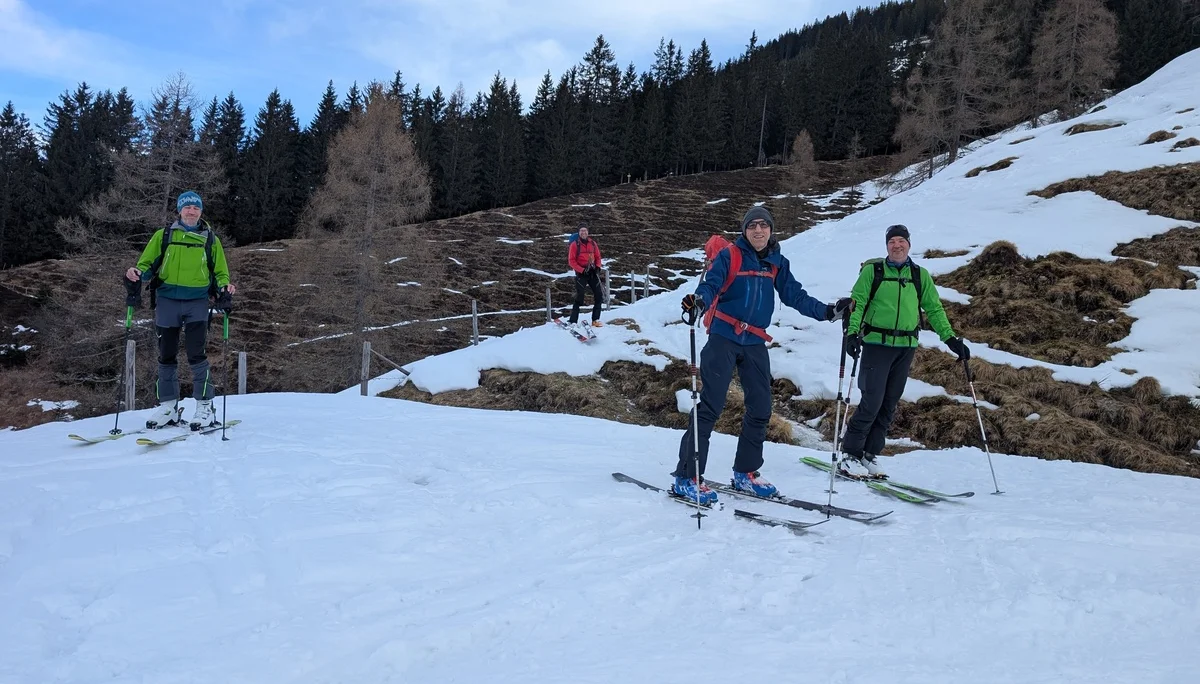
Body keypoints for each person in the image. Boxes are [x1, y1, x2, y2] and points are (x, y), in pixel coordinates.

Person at [674, 206, 851, 504]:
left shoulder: (777, 262)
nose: (758, 230)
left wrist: (829, 312)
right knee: (710, 407)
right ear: (744, 230)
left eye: (764, 225)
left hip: (754, 342)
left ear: (771, 230)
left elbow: (795, 296)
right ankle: (686, 477)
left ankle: (746, 472)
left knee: (760, 408)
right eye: (752, 225)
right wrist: (700, 301)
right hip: (723, 338)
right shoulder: (730, 256)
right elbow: (711, 284)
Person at [840, 224, 968, 478]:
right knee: (871, 402)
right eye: (892, 242)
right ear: (886, 245)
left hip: (906, 347)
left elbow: (934, 309)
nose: (896, 245)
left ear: (909, 244)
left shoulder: (920, 276)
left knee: (889, 405)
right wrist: (852, 333)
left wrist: (950, 339)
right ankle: (849, 454)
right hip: (877, 344)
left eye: (901, 241)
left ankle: (870, 455)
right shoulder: (872, 272)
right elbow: (858, 302)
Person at [125, 190, 236, 430]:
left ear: (201, 211)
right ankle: (168, 407)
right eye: (187, 207)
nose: (191, 210)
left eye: (196, 207)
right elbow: (146, 264)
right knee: (166, 355)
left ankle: (205, 407)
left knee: (197, 354)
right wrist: (136, 273)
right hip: (167, 302)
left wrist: (225, 287)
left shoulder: (210, 239)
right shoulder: (163, 236)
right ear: (179, 210)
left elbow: (220, 272)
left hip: (197, 303)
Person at [567, 223, 604, 328]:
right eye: (581, 231)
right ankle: (573, 321)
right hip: (581, 274)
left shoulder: (593, 243)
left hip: (592, 272)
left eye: (585, 230)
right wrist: (582, 270)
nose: (583, 232)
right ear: (579, 233)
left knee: (599, 295)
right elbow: (571, 261)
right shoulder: (575, 245)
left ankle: (595, 320)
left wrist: (598, 267)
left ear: (588, 232)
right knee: (580, 297)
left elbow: (598, 256)